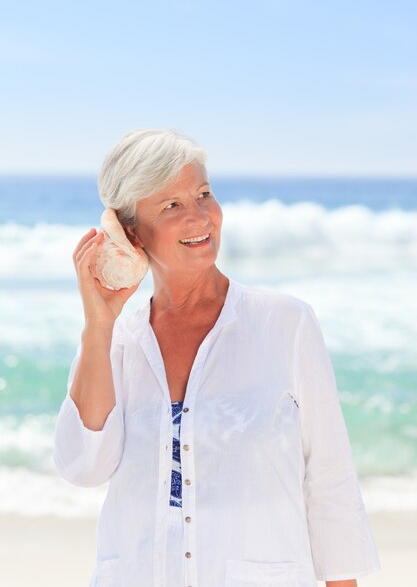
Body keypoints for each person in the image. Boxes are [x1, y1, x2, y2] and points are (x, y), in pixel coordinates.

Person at [53, 128, 381, 587]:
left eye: (203, 194)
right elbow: (84, 468)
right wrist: (99, 323)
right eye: (171, 206)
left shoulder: (285, 323)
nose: (199, 217)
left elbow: (330, 482)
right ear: (129, 233)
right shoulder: (114, 342)